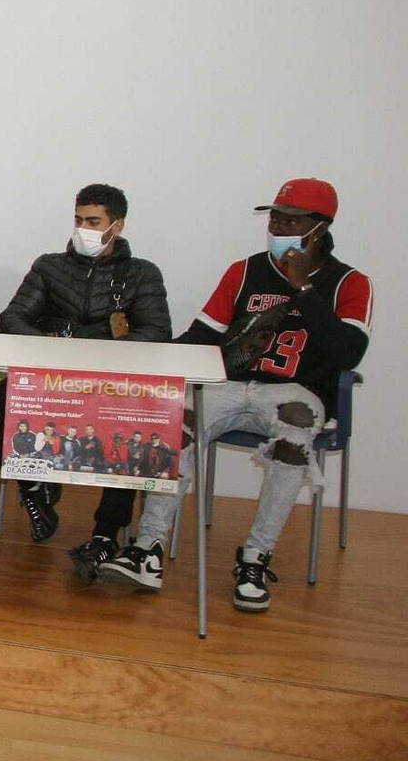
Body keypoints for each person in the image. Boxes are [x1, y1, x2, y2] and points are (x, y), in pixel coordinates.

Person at [99, 179, 373, 612]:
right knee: (176, 420)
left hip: (294, 393)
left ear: (319, 228)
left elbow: (348, 351)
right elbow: (203, 336)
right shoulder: (245, 270)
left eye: (292, 220)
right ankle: (147, 549)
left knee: (296, 429)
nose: (279, 226)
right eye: (275, 217)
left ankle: (255, 556)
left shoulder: (349, 283)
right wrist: (144, 354)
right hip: (228, 384)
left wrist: (304, 289)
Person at [0, 184, 171, 580]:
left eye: (93, 221)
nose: (84, 229)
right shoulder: (49, 266)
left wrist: (91, 345)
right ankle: (33, 486)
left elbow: (158, 332)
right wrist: (46, 344)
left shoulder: (142, 274)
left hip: (110, 387)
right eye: (78, 220)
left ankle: (106, 533)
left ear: (117, 225)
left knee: (130, 435)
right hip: (49, 380)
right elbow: (11, 318)